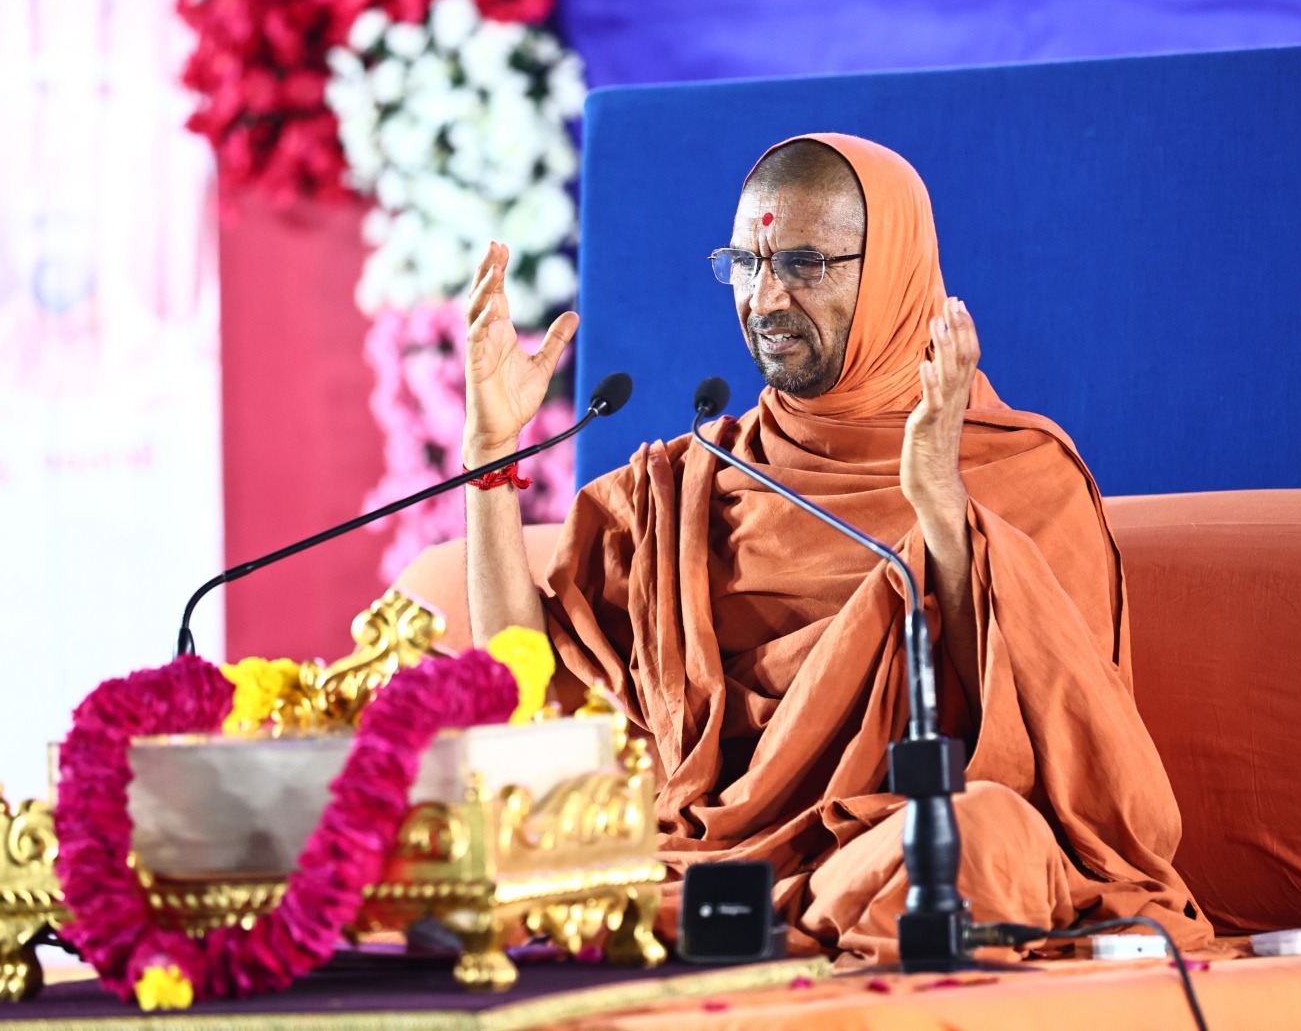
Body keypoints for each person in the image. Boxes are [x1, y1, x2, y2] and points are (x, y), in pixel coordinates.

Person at [460, 132, 1211, 964]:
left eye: (804, 264)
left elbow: (1067, 753)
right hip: (695, 857)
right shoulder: (686, 485)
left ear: (890, 272)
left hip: (889, 852)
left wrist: (942, 508)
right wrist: (490, 452)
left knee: (977, 839)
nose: (765, 298)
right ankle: (735, 924)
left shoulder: (1022, 474)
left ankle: (737, 930)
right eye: (745, 263)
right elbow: (530, 698)